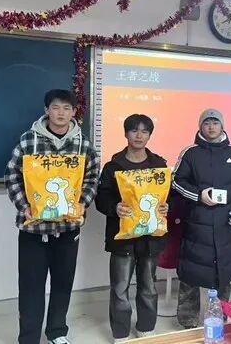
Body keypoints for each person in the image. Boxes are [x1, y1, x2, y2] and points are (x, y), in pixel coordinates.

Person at [5, 89, 100, 344]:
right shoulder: (28, 141)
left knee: (62, 283)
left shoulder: (83, 144)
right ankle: (28, 338)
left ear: (74, 112)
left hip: (68, 229)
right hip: (33, 230)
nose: (61, 113)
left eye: (67, 108)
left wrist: (82, 203)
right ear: (47, 110)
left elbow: (92, 178)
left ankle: (57, 332)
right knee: (31, 286)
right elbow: (12, 176)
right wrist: (24, 206)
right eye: (56, 107)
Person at [95, 114, 169, 343]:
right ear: (126, 133)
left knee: (149, 286)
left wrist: (167, 206)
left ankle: (146, 327)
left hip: (150, 237)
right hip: (122, 238)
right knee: (120, 288)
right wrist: (114, 207)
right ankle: (121, 333)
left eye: (144, 131)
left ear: (149, 135)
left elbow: (168, 196)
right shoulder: (113, 166)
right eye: (134, 130)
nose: (139, 135)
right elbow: (101, 198)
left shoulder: (159, 165)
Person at [172, 108, 231, 329]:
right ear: (200, 127)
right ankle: (187, 320)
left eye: (215, 122)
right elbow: (176, 182)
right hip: (197, 222)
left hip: (225, 224)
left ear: (222, 126)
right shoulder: (190, 153)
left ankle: (218, 317)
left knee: (223, 271)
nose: (211, 127)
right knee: (190, 272)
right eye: (206, 123)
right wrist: (199, 195)